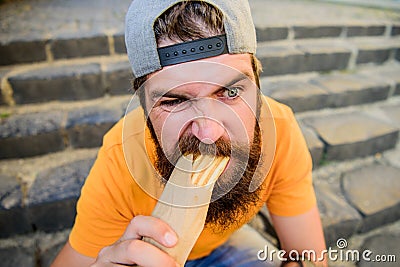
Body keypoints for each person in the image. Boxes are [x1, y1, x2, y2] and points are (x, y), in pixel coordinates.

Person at [52, 0, 327, 266]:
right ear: (145, 109)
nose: (208, 133)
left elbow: (309, 256)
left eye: (231, 92)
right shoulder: (120, 159)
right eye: (174, 101)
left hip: (226, 246)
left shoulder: (280, 130)